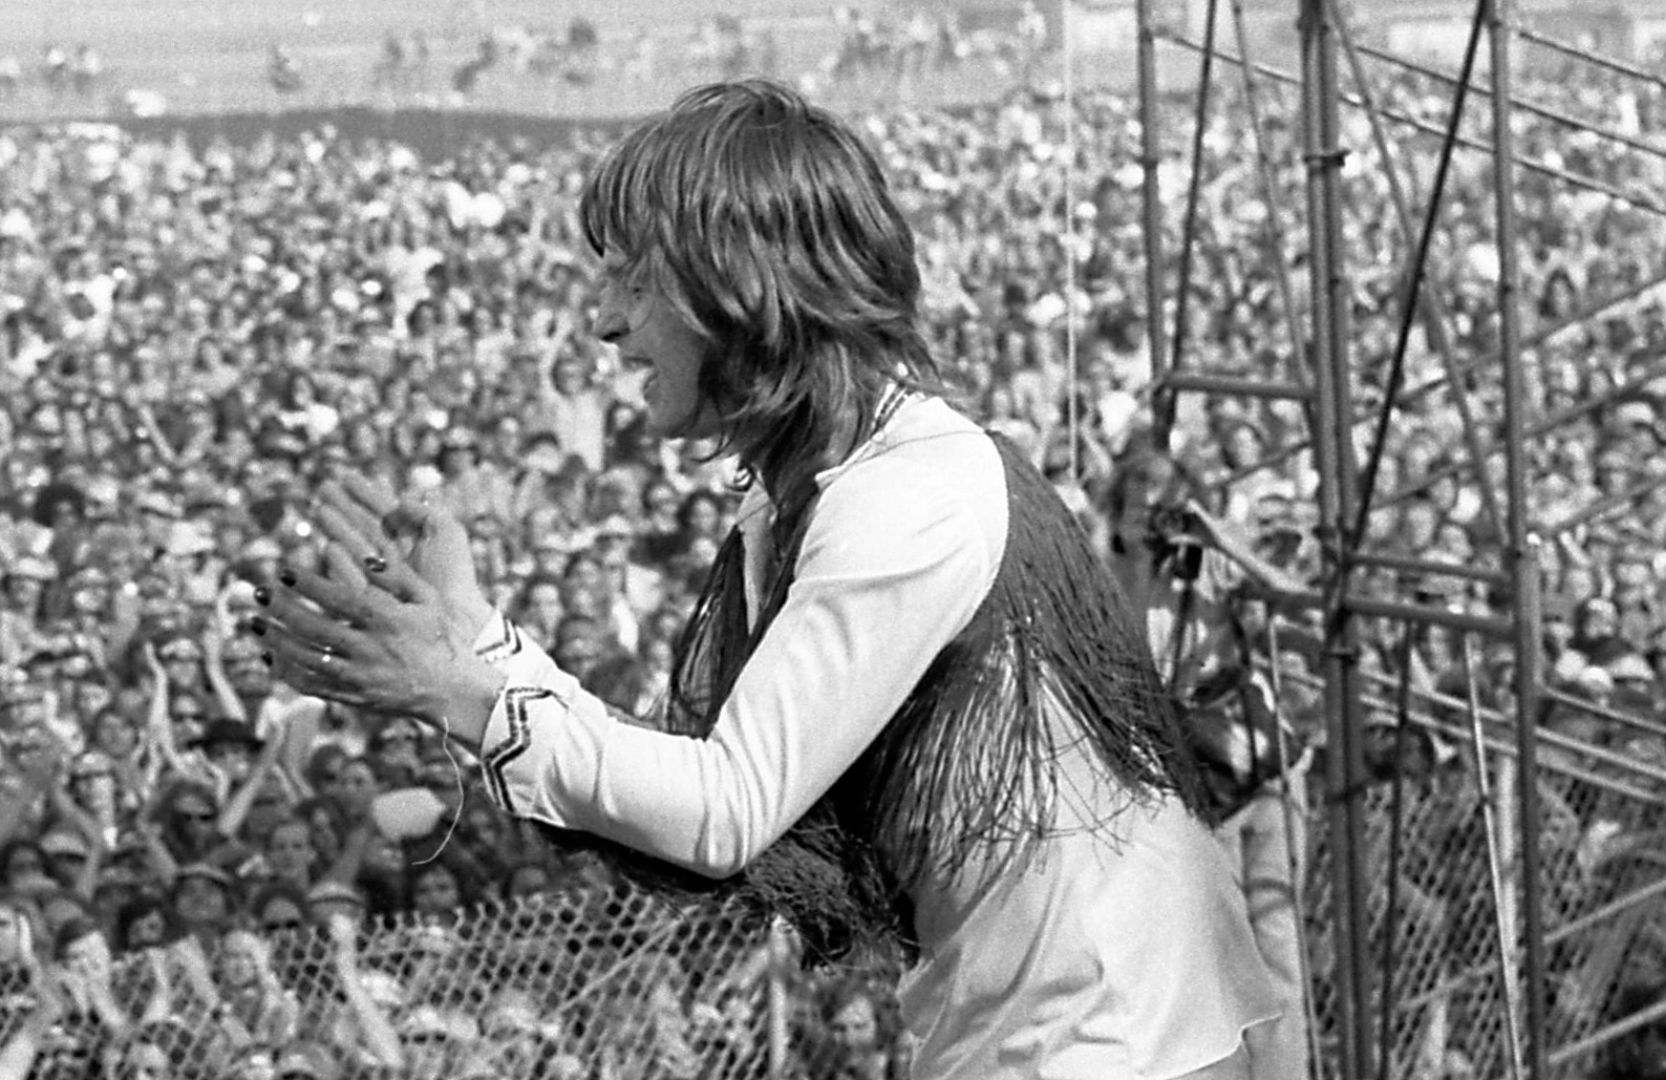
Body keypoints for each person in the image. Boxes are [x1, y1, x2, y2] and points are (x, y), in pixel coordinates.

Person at [257, 81, 1289, 1079]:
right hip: (1054, 1029)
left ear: (746, 290)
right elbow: (684, 782)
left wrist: (463, 692)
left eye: (634, 281)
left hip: (1105, 1039)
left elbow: (726, 811)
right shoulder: (816, 493)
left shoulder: (906, 498)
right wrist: (476, 640)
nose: (604, 322)